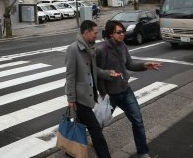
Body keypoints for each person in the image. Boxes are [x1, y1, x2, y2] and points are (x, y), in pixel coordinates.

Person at [97, 19, 162, 158]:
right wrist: (103, 93)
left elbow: (130, 64)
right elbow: (97, 72)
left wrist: (145, 65)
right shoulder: (102, 50)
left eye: (123, 32)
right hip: (110, 94)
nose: (122, 35)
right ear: (110, 34)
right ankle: (94, 136)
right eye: (119, 32)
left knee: (137, 120)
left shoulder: (123, 46)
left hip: (125, 90)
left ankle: (143, 153)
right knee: (101, 121)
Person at [65, 19, 122, 158]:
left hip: (89, 95)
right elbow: (70, 76)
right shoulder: (73, 49)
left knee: (80, 125)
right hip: (80, 97)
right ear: (86, 32)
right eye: (94, 33)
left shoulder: (90, 48)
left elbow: (94, 70)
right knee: (96, 130)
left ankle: (70, 152)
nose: (96, 35)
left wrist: (109, 73)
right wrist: (71, 98)